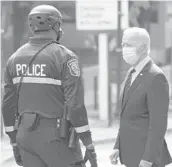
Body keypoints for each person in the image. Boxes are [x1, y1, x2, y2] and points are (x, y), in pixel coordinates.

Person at [2, 5, 97, 167]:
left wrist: (13, 141)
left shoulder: (14, 58)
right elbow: (75, 106)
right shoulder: (65, 57)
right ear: (56, 26)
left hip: (25, 138)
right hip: (56, 139)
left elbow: (7, 106)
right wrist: (88, 142)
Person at [109, 27, 172, 167]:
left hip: (146, 160)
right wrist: (117, 146)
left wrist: (148, 159)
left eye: (128, 45)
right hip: (130, 156)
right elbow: (127, 115)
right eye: (123, 44)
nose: (124, 49)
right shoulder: (131, 72)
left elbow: (158, 125)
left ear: (143, 47)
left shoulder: (156, 77)